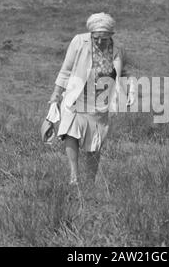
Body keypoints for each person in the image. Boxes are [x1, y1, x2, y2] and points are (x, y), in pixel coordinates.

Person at [49, 12, 134, 186]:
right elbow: (66, 70)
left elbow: (124, 73)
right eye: (96, 38)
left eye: (104, 38)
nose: (100, 42)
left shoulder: (117, 49)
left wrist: (129, 90)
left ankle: (90, 181)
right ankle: (74, 177)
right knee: (70, 132)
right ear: (91, 34)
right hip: (77, 94)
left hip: (100, 99)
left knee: (94, 141)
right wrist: (55, 95)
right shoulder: (79, 42)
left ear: (111, 35)